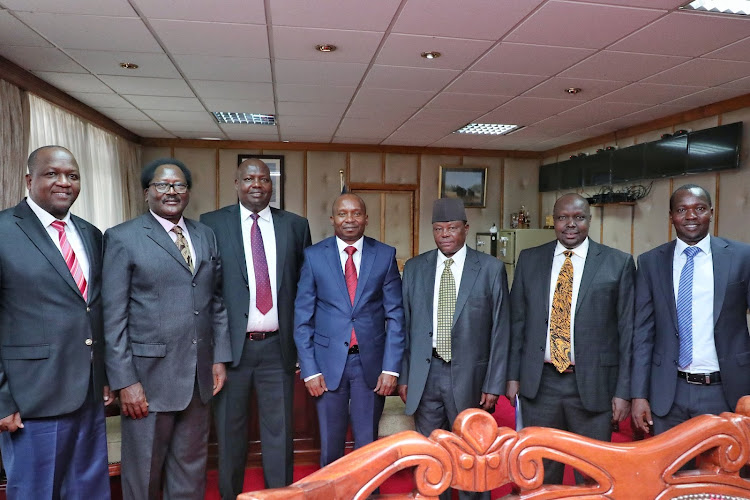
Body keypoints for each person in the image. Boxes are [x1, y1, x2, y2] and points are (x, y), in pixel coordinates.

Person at [102, 158, 232, 500]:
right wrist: (125, 381)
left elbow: (214, 301)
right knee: (144, 473)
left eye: (179, 185)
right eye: (162, 185)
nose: (171, 192)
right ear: (147, 192)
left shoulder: (205, 235)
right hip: (148, 380)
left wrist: (219, 357)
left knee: (190, 471)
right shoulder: (122, 238)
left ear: (188, 192)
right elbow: (113, 317)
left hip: (197, 379)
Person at [0, 146, 112, 499]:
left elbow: (93, 310)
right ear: (30, 179)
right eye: (52, 174)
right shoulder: (3, 230)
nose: (64, 182)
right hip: (32, 400)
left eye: (73, 176)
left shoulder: (91, 234)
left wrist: (104, 377)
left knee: (88, 491)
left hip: (88, 397)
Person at [200, 158, 311, 498]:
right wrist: (215, 352)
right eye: (249, 178)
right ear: (236, 183)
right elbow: (208, 291)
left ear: (271, 185)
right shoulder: (211, 224)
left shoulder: (295, 225)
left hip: (277, 349)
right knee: (230, 434)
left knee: (280, 433)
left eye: (264, 179)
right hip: (232, 350)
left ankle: (280, 496)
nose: (257, 184)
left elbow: (304, 289)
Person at [506, 193, 634, 484]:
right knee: (540, 471)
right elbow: (517, 323)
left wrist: (624, 391)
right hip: (541, 383)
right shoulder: (530, 259)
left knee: (592, 473)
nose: (570, 225)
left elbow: (628, 334)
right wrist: (512, 377)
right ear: (554, 221)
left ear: (589, 220)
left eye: (578, 217)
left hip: (593, 385)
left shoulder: (618, 263)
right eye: (563, 218)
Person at [398, 198, 509, 500]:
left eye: (452, 228)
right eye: (438, 228)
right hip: (426, 373)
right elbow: (406, 328)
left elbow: (501, 330)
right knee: (434, 456)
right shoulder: (415, 268)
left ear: (465, 229)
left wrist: (494, 382)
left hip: (470, 377)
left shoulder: (489, 269)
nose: (445, 234)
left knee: (472, 456)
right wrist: (405, 376)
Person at [294, 193, 405, 466]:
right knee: (330, 444)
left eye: (356, 213)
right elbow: (302, 318)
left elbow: (395, 315)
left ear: (366, 218)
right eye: (343, 214)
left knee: (368, 447)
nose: (350, 219)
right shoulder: (313, 256)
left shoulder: (385, 255)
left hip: (371, 365)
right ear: (332, 219)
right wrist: (309, 369)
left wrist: (391, 369)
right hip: (327, 365)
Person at [631, 184, 750, 435]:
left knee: (721, 474)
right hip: (668, 392)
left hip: (725, 389)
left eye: (699, 208)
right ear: (671, 216)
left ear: (711, 212)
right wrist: (639, 395)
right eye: (682, 210)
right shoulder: (650, 262)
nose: (691, 216)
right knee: (669, 473)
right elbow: (643, 334)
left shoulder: (742, 256)